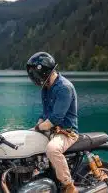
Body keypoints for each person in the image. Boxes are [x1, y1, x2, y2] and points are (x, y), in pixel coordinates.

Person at [26, 52, 79, 193]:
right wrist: (36, 127)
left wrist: (38, 127)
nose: (34, 78)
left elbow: (56, 118)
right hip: (51, 129)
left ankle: (69, 186)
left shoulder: (64, 88)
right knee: (24, 140)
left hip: (67, 132)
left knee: (52, 149)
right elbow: (45, 114)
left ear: (44, 71)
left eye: (35, 74)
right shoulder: (46, 87)